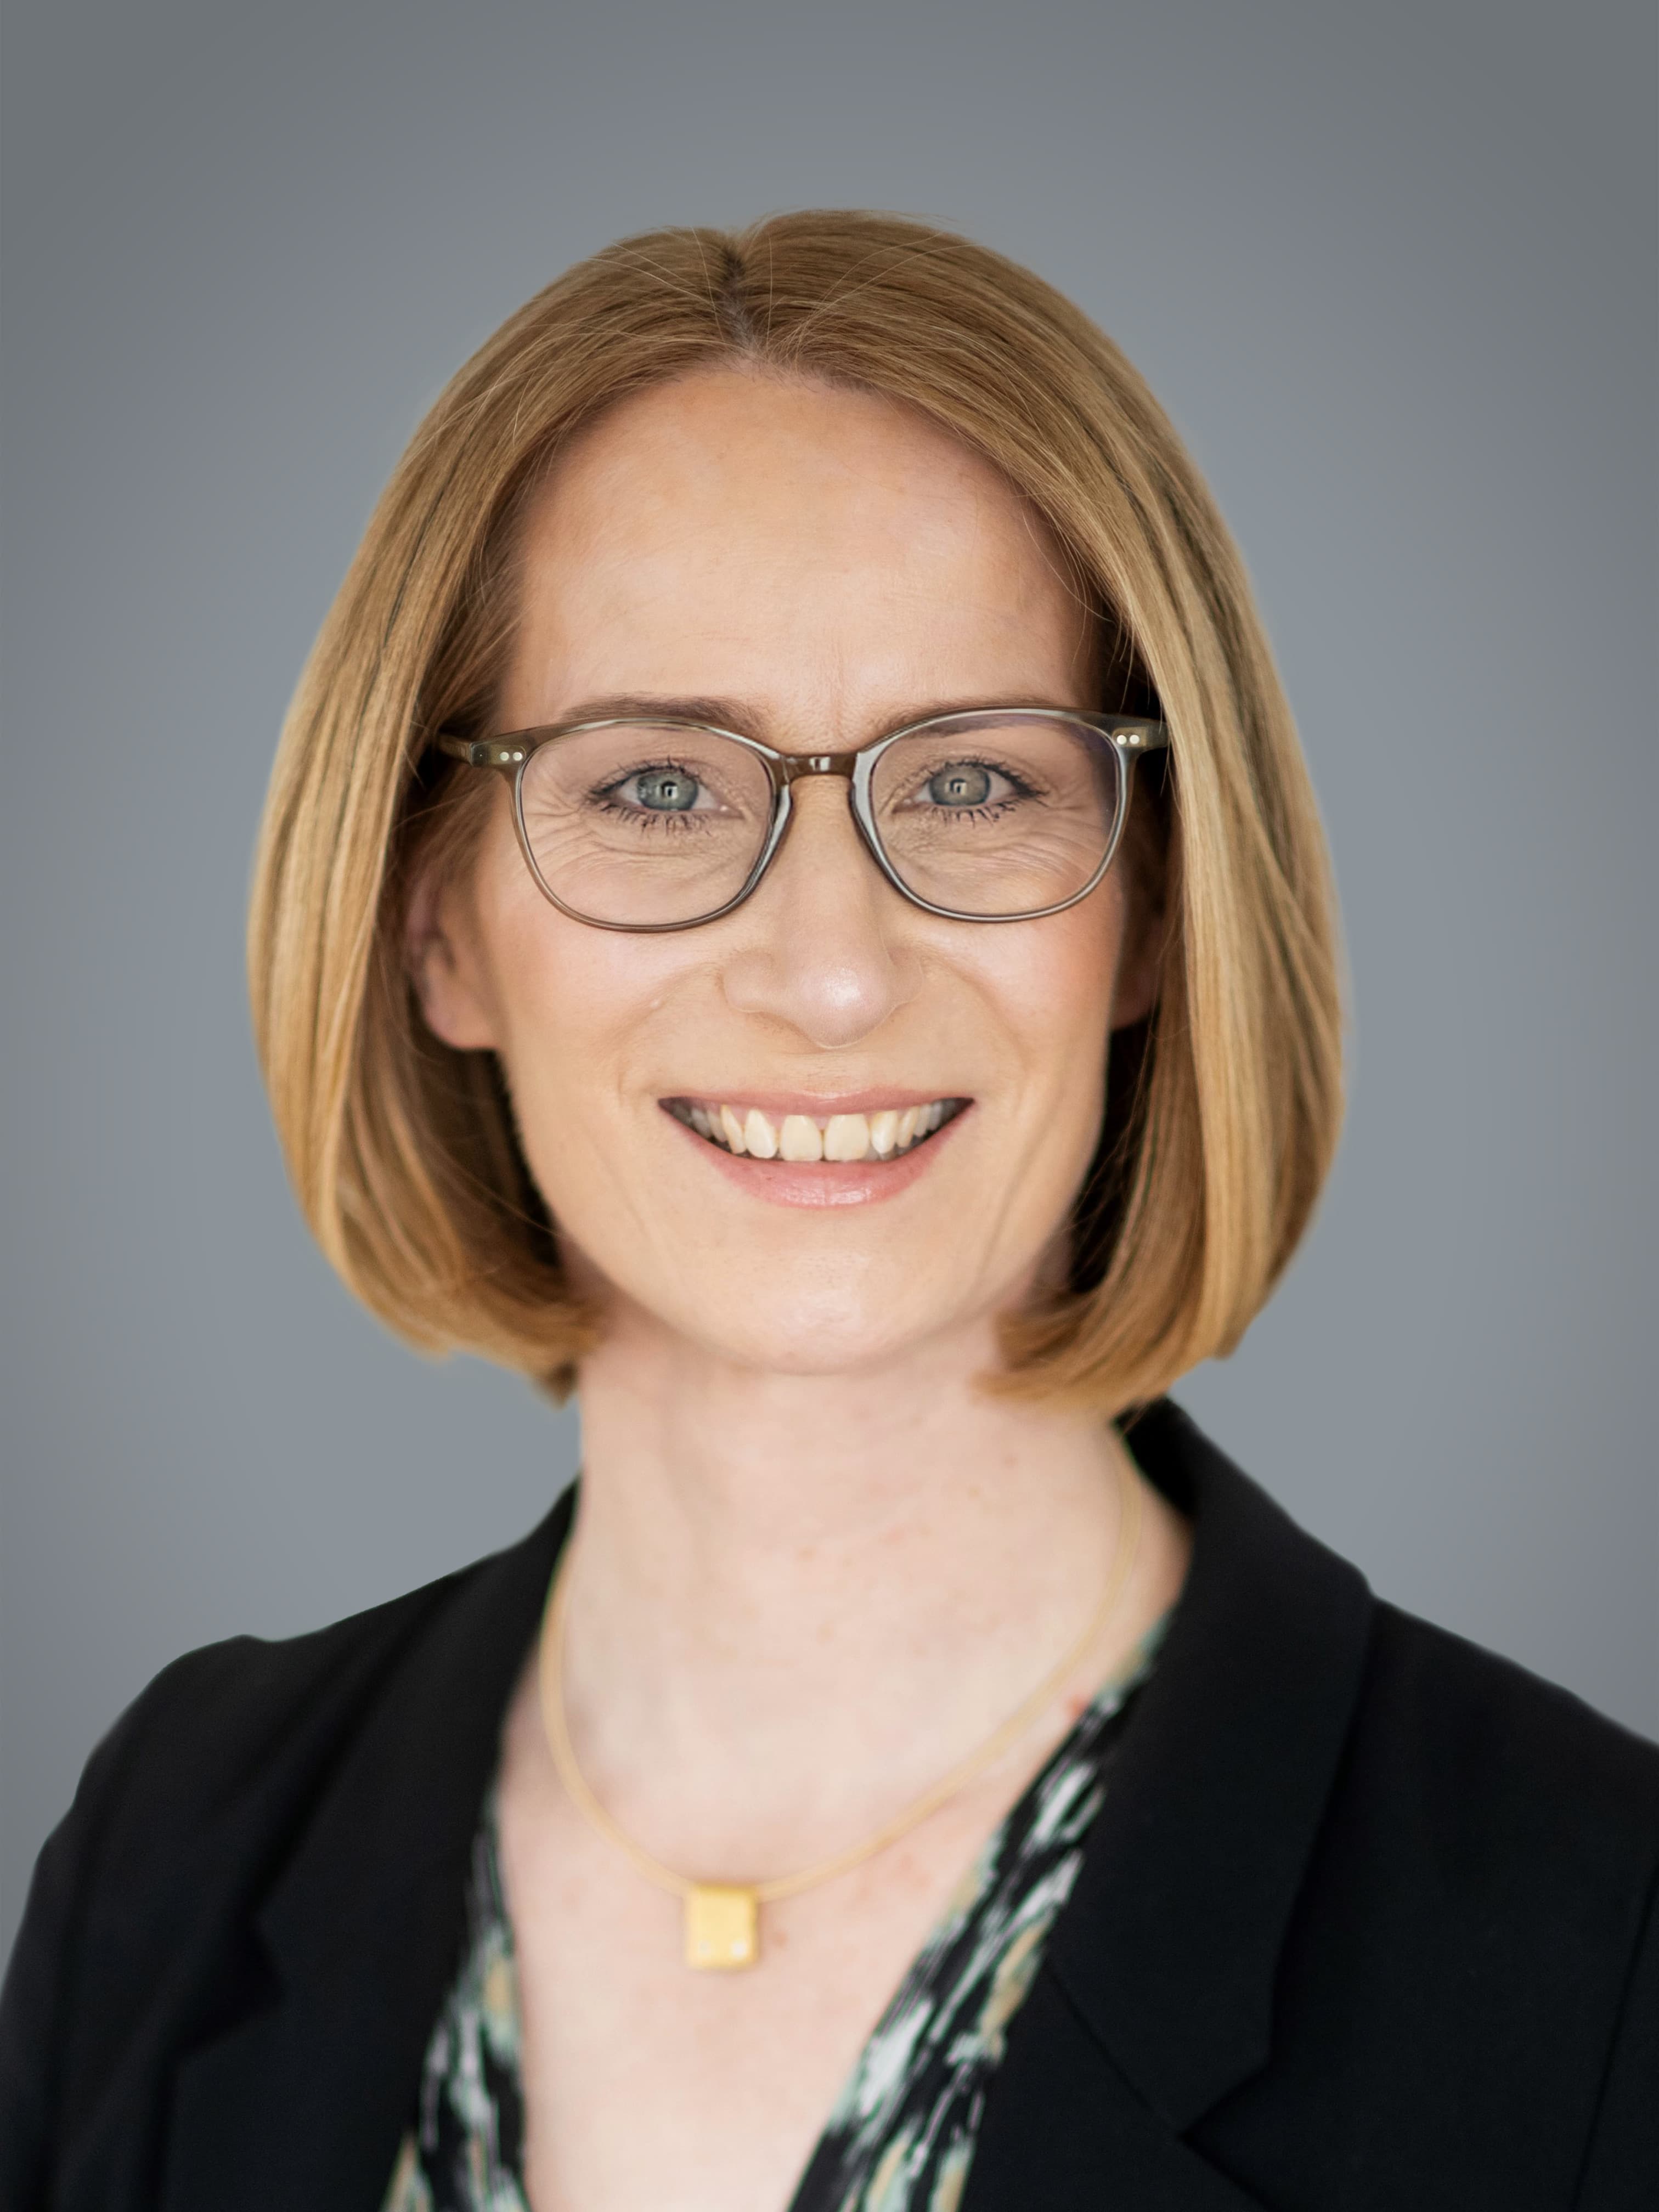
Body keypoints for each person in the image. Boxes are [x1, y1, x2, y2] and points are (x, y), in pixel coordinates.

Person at [2, 211, 1654, 2212]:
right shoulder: (180, 1837)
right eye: (658, 790)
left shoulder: (1598, 1932)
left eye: (968, 785)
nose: (833, 973)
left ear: (1148, 913)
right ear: (434, 923)